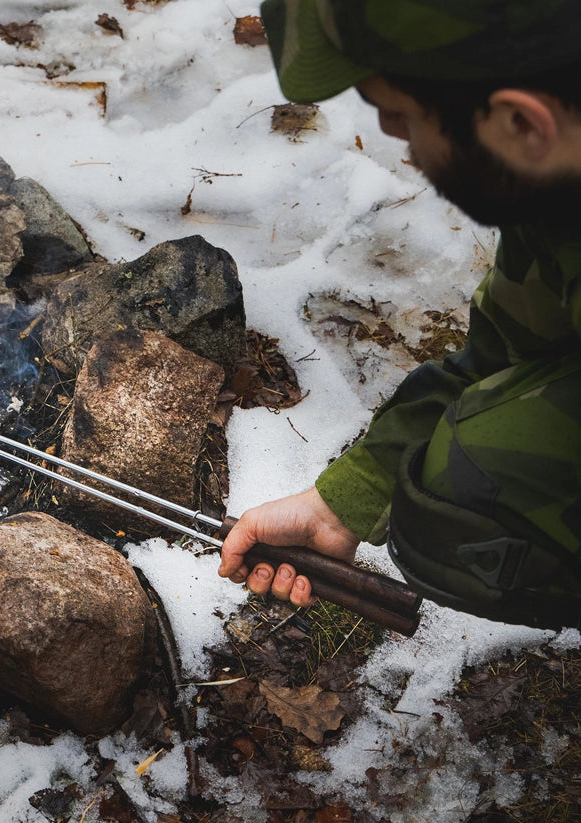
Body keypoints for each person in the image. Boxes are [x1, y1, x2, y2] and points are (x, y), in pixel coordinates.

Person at [218, 0, 581, 630]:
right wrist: (341, 505)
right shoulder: (554, 185)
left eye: (405, 113)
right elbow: (507, 348)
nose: (388, 130)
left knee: (479, 472)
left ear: (522, 123)